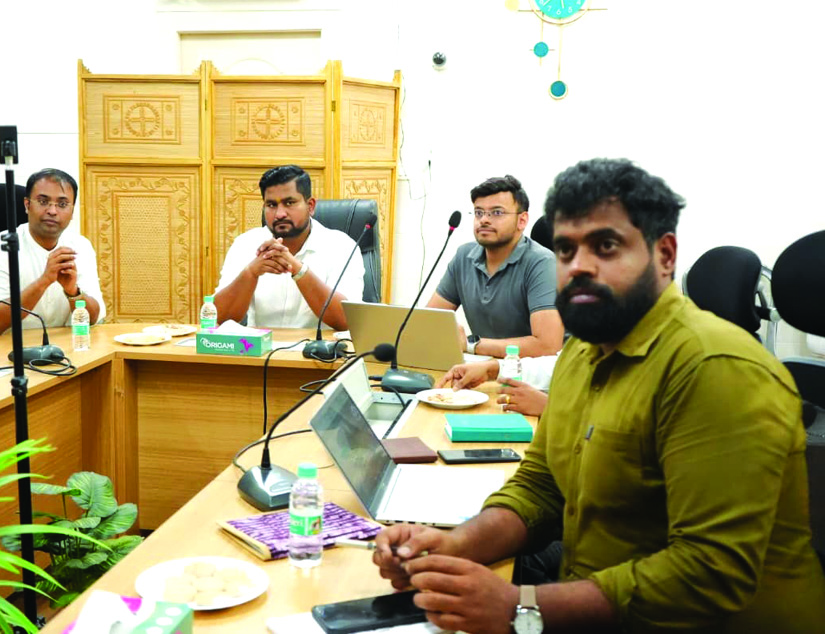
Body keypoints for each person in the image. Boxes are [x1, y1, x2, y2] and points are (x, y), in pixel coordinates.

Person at [373, 158, 825, 633]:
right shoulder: (582, 351)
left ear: (665, 254)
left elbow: (712, 573)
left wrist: (518, 606)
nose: (579, 267)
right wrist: (455, 545)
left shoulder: (717, 369)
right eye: (566, 250)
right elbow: (541, 486)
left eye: (606, 246)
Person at [428, 175, 563, 358]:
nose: (484, 219)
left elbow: (547, 346)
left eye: (497, 212)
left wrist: (470, 344)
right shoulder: (464, 257)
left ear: (522, 221)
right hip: (482, 366)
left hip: (530, 371)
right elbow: (429, 321)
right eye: (478, 212)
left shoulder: (542, 263)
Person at [214, 165, 364, 329]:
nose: (280, 214)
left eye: (289, 203)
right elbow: (219, 317)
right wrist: (250, 273)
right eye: (271, 205)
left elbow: (347, 321)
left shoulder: (342, 247)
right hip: (262, 344)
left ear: (310, 206)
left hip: (319, 345)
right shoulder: (246, 244)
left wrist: (298, 270)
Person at [0, 168, 105, 337]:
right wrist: (44, 281)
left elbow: (93, 318)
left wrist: (73, 292)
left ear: (72, 211)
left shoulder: (80, 246)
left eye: (62, 204)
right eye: (43, 201)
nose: (52, 211)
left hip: (56, 346)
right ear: (27, 205)